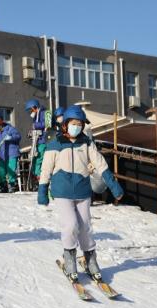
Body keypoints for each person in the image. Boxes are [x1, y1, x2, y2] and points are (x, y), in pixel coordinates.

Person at [37, 105, 124, 283]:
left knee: (85, 227)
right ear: (66, 124)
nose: (77, 127)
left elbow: (101, 165)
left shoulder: (87, 143)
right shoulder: (55, 144)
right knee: (70, 225)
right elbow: (46, 169)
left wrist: (114, 187)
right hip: (62, 191)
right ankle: (69, 258)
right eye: (74, 123)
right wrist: (42, 191)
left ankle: (90, 259)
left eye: (80, 124)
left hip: (83, 191)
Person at [0, 112, 21, 193]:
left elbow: (18, 136)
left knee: (11, 170)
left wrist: (11, 138)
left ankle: (12, 185)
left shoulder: (10, 129)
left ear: (0, 121)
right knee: (1, 171)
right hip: (3, 155)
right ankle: (2, 186)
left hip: (12, 153)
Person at [24, 99, 48, 185]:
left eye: (31, 109)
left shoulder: (47, 112)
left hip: (45, 141)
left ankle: (41, 179)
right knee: (34, 159)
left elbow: (48, 124)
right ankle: (37, 178)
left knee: (39, 159)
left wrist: (36, 126)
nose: (30, 112)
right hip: (37, 141)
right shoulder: (35, 117)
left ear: (35, 107)